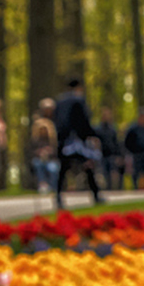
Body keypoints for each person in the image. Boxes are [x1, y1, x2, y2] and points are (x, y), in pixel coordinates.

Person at [52, 77, 104, 209]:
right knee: (88, 166)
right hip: (77, 141)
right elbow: (83, 121)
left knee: (63, 170)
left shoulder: (59, 102)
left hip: (63, 141)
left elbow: (56, 122)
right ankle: (96, 195)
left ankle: (58, 197)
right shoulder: (79, 100)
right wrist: (91, 135)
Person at [30, 101, 58, 195]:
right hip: (39, 159)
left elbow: (56, 149)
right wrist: (39, 152)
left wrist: (49, 151)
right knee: (38, 164)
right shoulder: (35, 139)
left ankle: (53, 186)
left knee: (53, 168)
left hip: (51, 159)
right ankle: (43, 185)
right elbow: (31, 150)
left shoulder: (52, 139)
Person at [96, 106, 126, 190]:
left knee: (111, 174)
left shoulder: (112, 130)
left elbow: (116, 143)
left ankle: (111, 189)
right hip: (101, 155)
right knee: (103, 173)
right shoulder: (98, 129)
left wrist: (119, 155)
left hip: (111, 156)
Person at [124, 109, 144, 190]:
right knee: (135, 172)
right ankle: (135, 188)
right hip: (135, 154)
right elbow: (127, 143)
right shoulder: (133, 129)